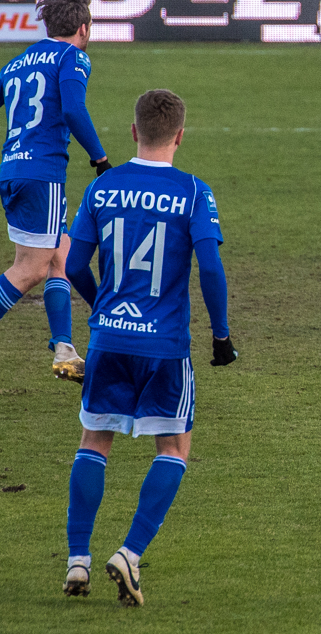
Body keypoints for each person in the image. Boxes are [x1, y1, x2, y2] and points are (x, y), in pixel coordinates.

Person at [60, 88, 237, 606]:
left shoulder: (103, 187)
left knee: (94, 442)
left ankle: (77, 559)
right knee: (175, 448)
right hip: (164, 346)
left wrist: (100, 309)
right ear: (180, 136)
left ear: (134, 132)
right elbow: (210, 267)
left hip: (108, 340)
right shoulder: (194, 192)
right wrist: (221, 336)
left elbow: (72, 266)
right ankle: (130, 554)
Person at [0, 0, 111, 382]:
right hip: (41, 174)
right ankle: (78, 342)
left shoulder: (16, 63)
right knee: (29, 270)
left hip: (13, 171)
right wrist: (99, 157)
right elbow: (73, 108)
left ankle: (65, 349)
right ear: (83, 27)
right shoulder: (73, 58)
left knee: (59, 254)